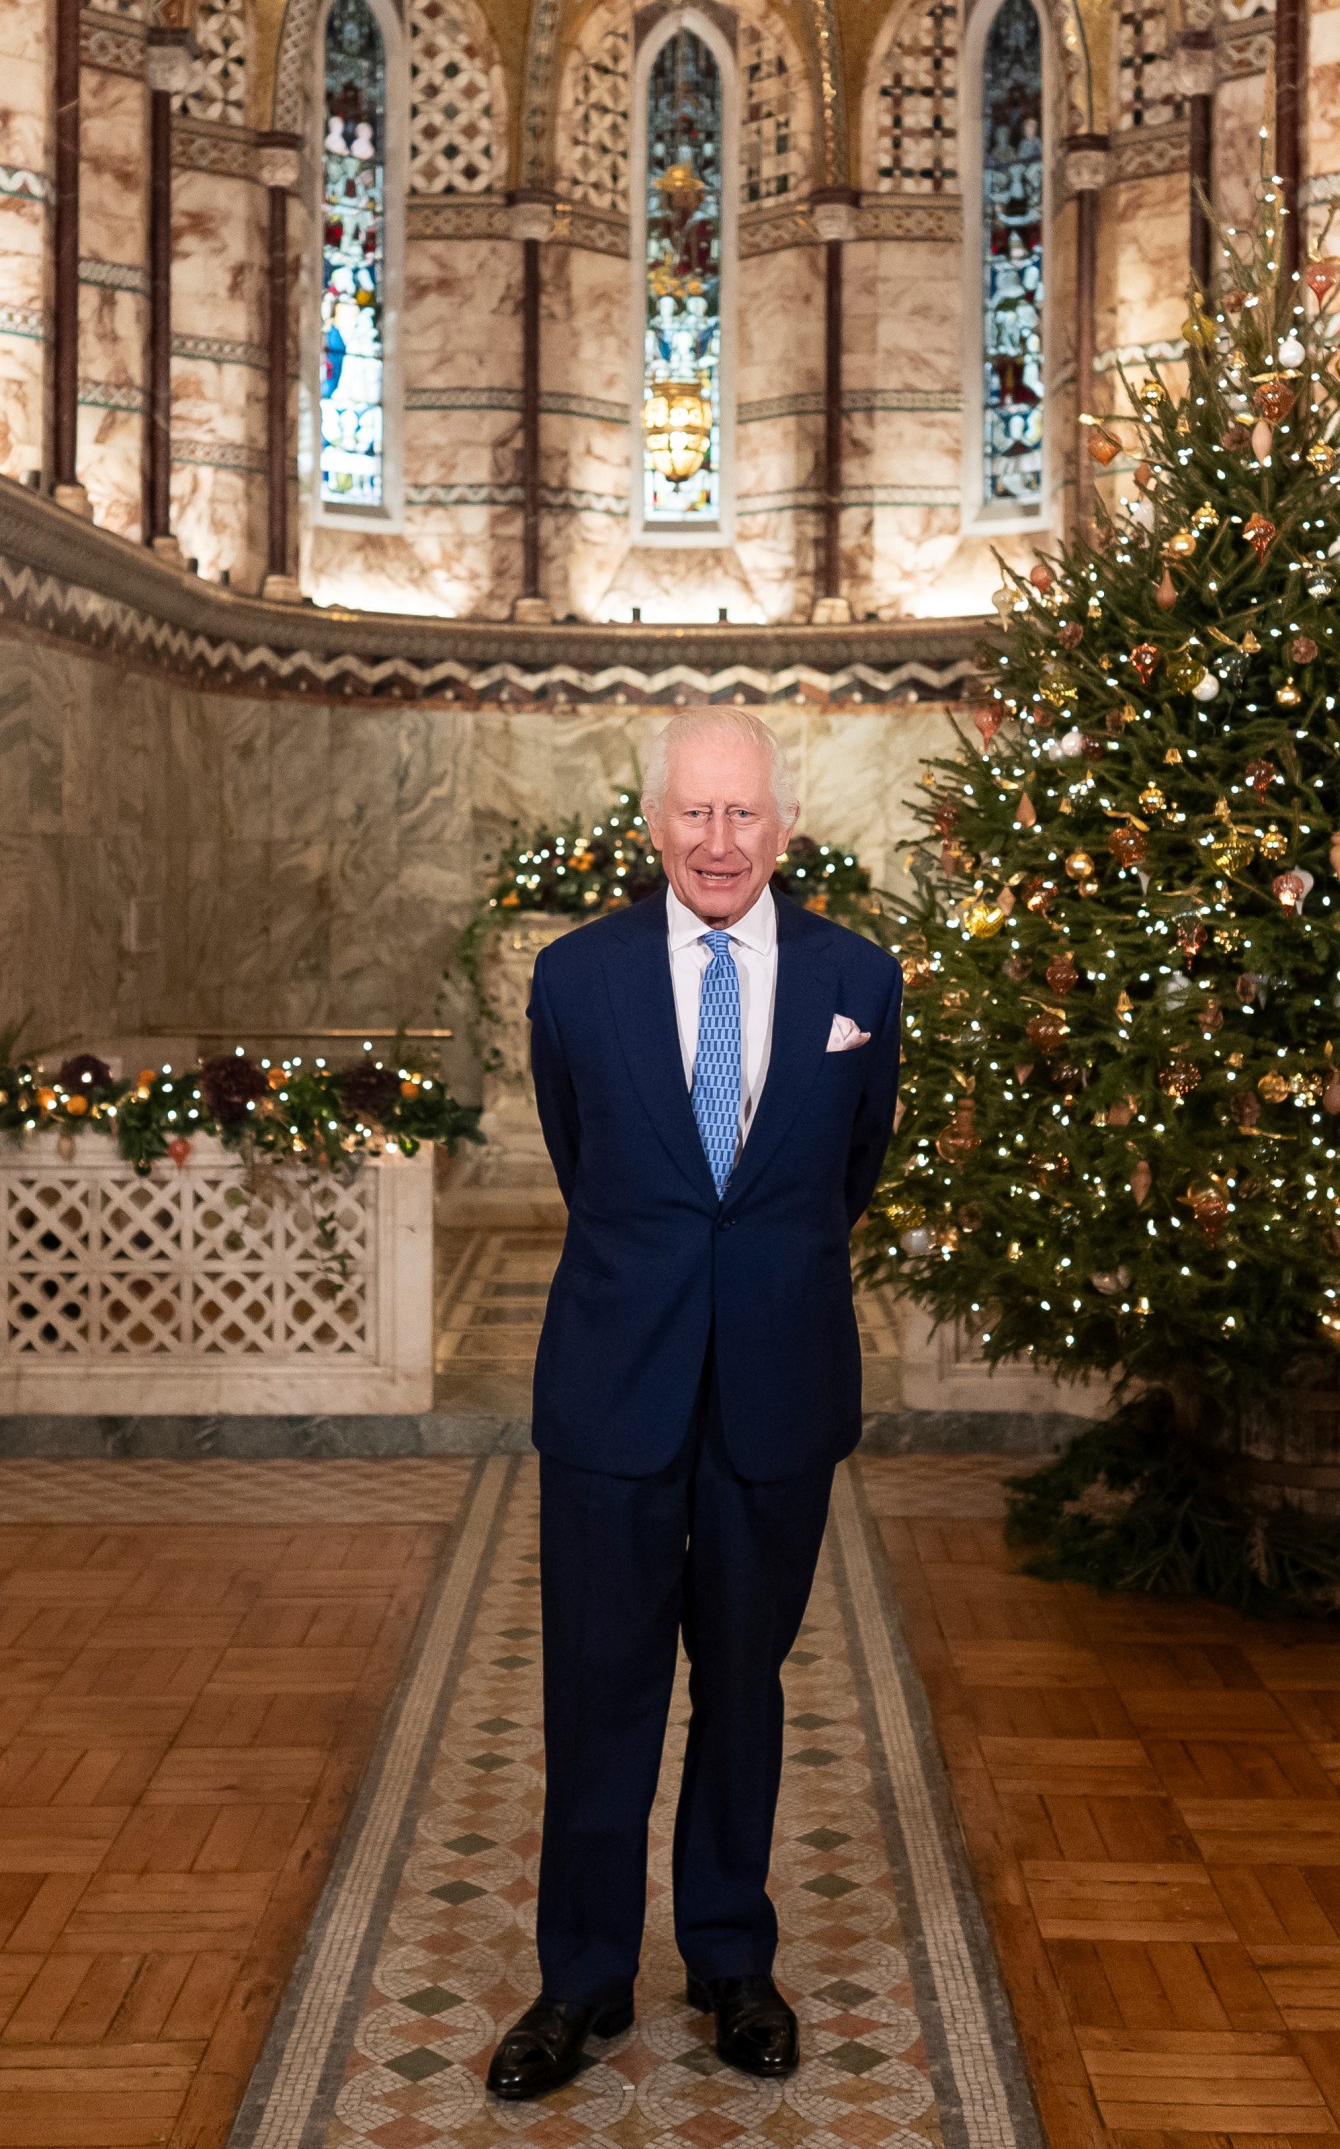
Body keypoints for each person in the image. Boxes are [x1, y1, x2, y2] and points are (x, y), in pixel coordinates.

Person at [486, 710, 903, 2103]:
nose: (719, 843)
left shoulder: (860, 977)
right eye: (694, 815)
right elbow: (580, 1152)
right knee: (598, 1692)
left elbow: (850, 1169)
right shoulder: (575, 979)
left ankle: (730, 1956)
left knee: (744, 1687)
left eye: (745, 817)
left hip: (778, 1393)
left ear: (783, 827)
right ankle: (582, 1975)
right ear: (652, 821)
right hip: (614, 1391)